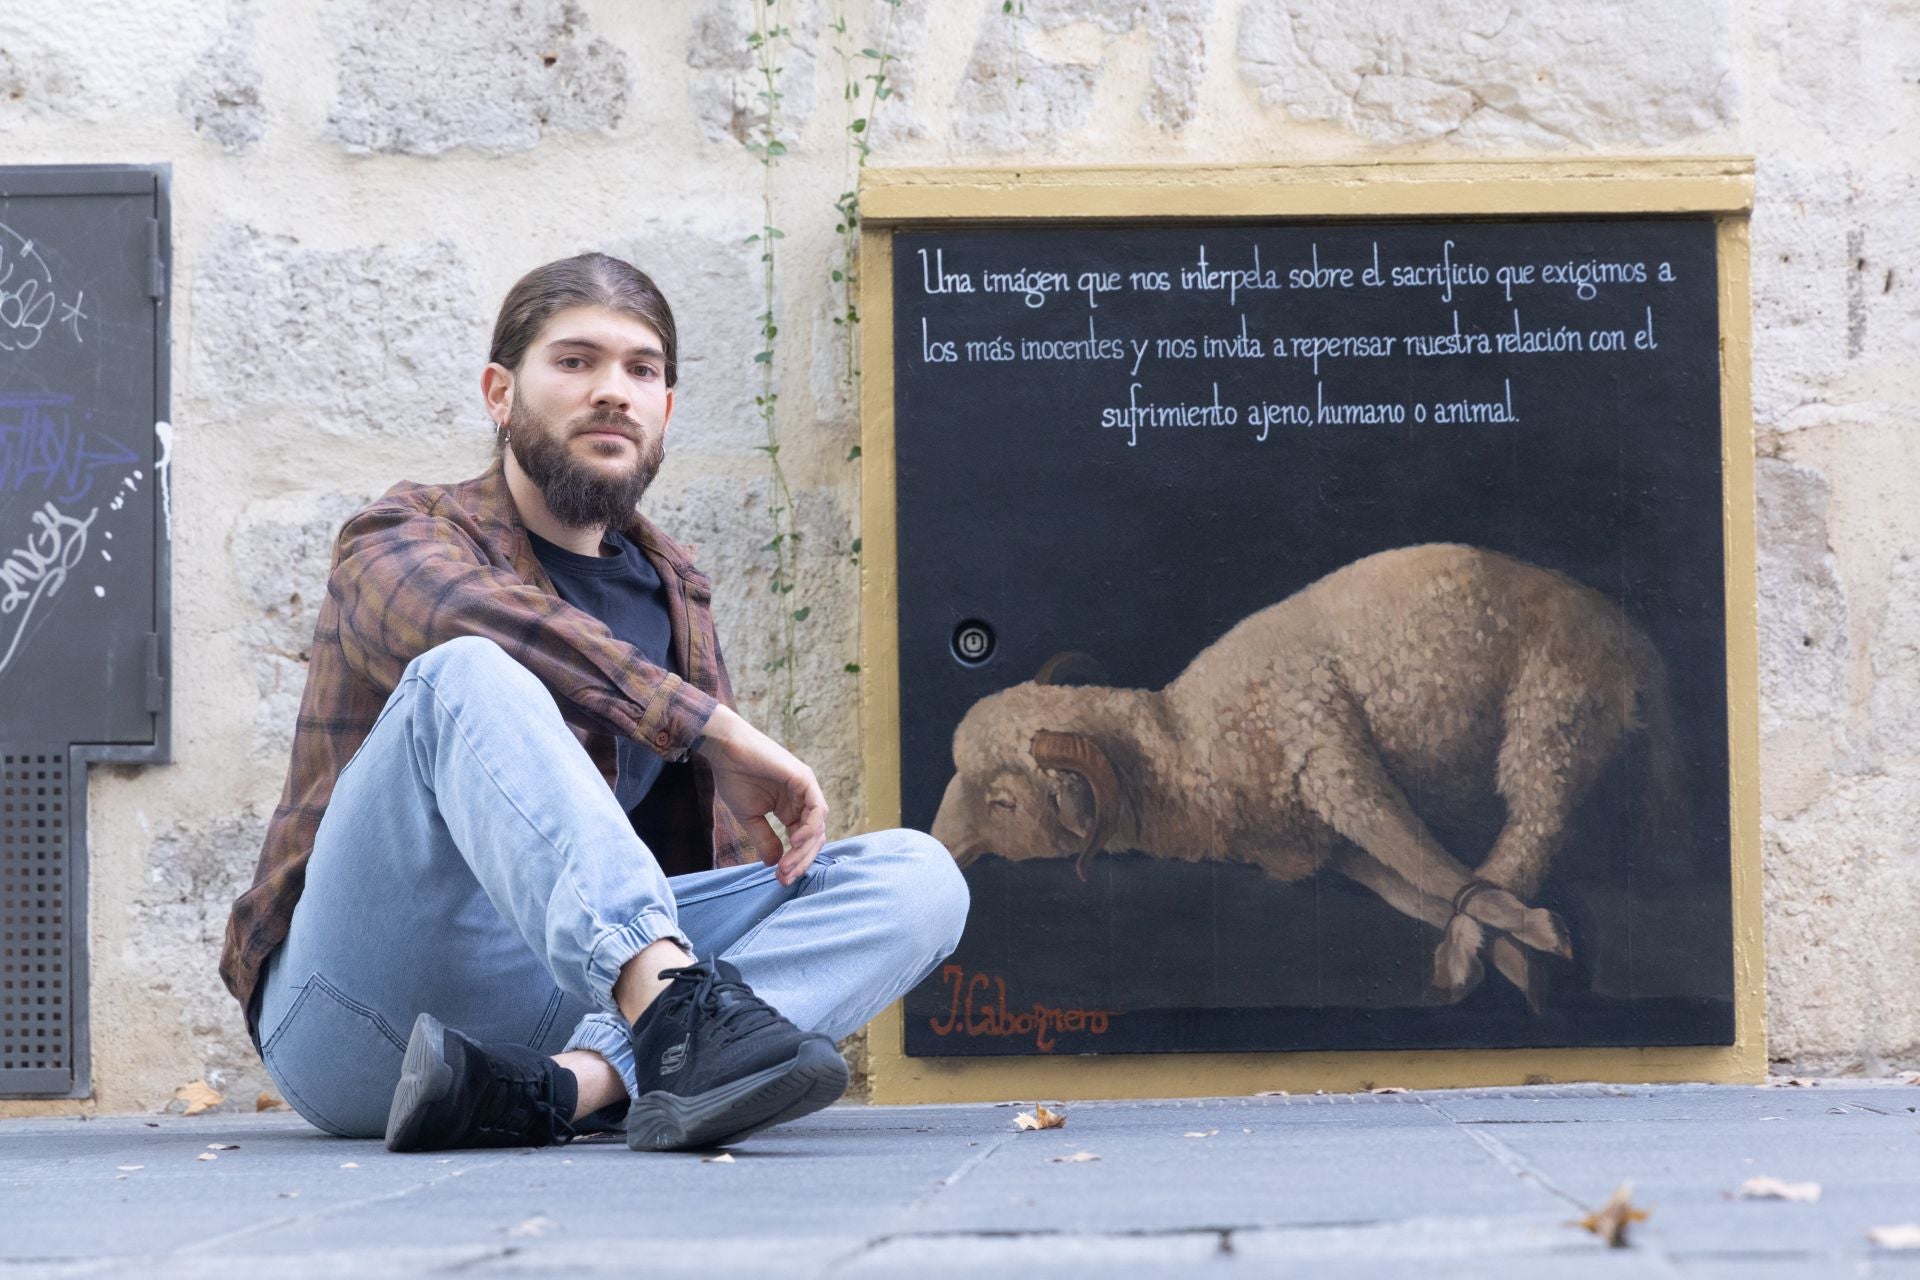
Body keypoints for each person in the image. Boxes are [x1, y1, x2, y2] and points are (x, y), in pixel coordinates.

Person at [218, 252, 969, 1153]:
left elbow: (685, 870)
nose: (613, 390)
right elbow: (451, 617)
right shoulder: (402, 534)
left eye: (641, 370)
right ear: (501, 394)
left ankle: (569, 1089)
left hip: (545, 1024)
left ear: (665, 411)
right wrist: (707, 727)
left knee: (919, 877)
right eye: (576, 362)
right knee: (470, 671)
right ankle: (669, 1020)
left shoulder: (672, 591)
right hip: (355, 1012)